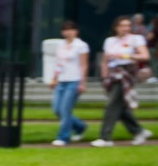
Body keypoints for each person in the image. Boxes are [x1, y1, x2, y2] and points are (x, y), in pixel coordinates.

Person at [98, 15, 150, 145]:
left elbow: (145, 56)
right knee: (120, 107)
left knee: (112, 105)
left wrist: (126, 55)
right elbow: (105, 60)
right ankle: (139, 131)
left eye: (128, 26)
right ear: (116, 27)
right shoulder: (110, 41)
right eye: (122, 26)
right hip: (112, 73)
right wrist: (104, 76)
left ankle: (105, 138)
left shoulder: (135, 39)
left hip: (126, 72)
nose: (125, 28)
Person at [47, 19, 91, 146]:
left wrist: (83, 82)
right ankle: (80, 126)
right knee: (57, 109)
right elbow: (59, 63)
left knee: (65, 109)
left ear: (76, 31)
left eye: (71, 30)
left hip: (74, 80)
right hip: (61, 80)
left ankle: (63, 137)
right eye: (65, 30)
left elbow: (84, 65)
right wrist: (54, 78)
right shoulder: (61, 45)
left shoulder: (81, 45)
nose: (68, 32)